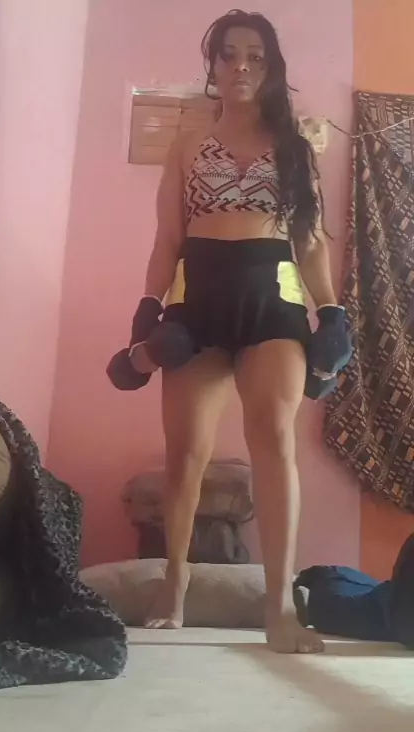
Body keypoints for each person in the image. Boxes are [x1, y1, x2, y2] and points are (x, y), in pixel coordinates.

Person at [122, 10, 351, 652]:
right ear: (213, 65)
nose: (241, 66)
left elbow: (309, 242)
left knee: (273, 437)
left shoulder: (295, 147)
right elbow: (167, 239)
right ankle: (175, 583)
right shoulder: (187, 146)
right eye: (229, 54)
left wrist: (331, 312)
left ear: (271, 67)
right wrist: (146, 310)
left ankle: (279, 608)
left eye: (255, 55)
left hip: (271, 302)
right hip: (196, 302)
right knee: (184, 452)